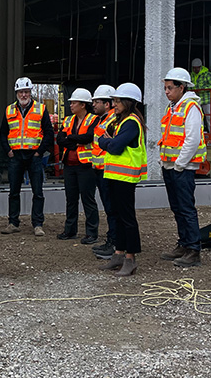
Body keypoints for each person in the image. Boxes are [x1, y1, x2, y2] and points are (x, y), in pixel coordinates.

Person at [96, 83, 147, 277]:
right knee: (117, 216)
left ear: (128, 102)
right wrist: (108, 141)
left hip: (125, 178)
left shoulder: (131, 123)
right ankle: (118, 254)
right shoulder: (120, 121)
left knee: (127, 218)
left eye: (117, 101)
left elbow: (114, 146)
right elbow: (103, 138)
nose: (114, 104)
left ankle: (130, 258)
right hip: (115, 175)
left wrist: (107, 142)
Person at [158, 67, 207, 268]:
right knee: (178, 207)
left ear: (182, 87)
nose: (166, 91)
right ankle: (184, 244)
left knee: (186, 208)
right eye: (165, 88)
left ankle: (193, 249)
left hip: (182, 167)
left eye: (170, 88)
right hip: (172, 165)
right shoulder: (174, 106)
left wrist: (179, 164)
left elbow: (192, 139)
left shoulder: (190, 107)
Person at [0, 77, 54, 236]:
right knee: (13, 191)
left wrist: (40, 151)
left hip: (34, 155)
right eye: (21, 92)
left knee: (38, 192)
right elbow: (3, 133)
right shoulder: (9, 110)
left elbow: (49, 133)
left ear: (31, 92)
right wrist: (7, 150)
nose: (24, 95)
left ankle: (38, 224)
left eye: (26, 92)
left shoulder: (41, 109)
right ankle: (13, 223)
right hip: (15, 155)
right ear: (17, 93)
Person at [56, 88, 98, 244]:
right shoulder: (68, 120)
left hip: (85, 165)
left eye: (74, 102)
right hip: (69, 165)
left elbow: (89, 137)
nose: (71, 105)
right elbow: (60, 139)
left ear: (83, 104)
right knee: (71, 199)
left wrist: (70, 138)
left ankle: (91, 233)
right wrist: (75, 141)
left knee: (88, 199)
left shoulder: (93, 119)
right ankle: (70, 230)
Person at [88, 85, 118, 260]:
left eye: (97, 101)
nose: (93, 104)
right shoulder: (103, 119)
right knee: (109, 209)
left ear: (107, 104)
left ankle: (114, 243)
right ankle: (112, 241)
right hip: (101, 170)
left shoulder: (113, 120)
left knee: (112, 209)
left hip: (109, 171)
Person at [191, 58, 211, 132]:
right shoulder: (192, 75)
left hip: (207, 99)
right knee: (197, 116)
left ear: (200, 67)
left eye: (197, 68)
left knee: (209, 116)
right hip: (196, 99)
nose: (195, 70)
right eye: (194, 68)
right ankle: (200, 132)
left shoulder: (207, 74)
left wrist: (202, 89)